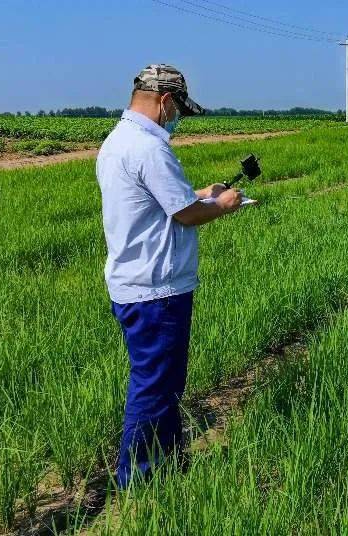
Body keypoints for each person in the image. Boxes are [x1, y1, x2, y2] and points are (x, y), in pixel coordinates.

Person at [96, 64, 244, 488]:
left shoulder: (117, 142)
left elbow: (162, 200)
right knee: (155, 387)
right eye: (178, 109)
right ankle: (141, 481)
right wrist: (224, 204)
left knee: (162, 383)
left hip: (137, 285)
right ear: (164, 101)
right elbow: (185, 213)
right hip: (155, 291)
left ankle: (168, 465)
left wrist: (203, 193)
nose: (177, 118)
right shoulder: (148, 147)